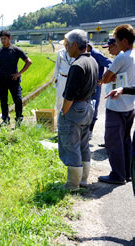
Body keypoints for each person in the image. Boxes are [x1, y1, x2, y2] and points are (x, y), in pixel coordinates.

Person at [58, 29, 98, 190]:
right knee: (83, 145)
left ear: (75, 45)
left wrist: (63, 112)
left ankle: (72, 184)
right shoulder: (92, 61)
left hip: (75, 108)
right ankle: (83, 180)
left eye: (67, 45)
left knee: (71, 146)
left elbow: (70, 96)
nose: (66, 48)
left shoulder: (77, 65)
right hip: (88, 107)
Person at [98, 24, 135, 185]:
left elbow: (105, 78)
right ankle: (127, 173)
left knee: (113, 140)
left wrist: (111, 76)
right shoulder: (134, 55)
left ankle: (117, 175)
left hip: (116, 104)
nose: (116, 44)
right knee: (126, 140)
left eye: (117, 41)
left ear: (124, 41)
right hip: (130, 105)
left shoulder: (122, 57)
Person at [0, 30, 32, 127]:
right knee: (3, 101)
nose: (3, 41)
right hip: (1, 80)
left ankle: (18, 119)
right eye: (1, 39)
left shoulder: (16, 50)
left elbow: (29, 62)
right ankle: (5, 120)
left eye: (5, 38)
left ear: (10, 38)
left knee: (18, 100)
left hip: (13, 80)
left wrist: (19, 74)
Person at [86, 42, 112, 137]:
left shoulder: (96, 54)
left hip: (95, 84)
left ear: (88, 46)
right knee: (86, 106)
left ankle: (90, 131)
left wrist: (104, 78)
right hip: (87, 84)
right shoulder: (86, 54)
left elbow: (110, 64)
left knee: (94, 106)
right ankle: (85, 131)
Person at [54, 38, 75, 112]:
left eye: (68, 44)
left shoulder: (75, 53)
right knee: (60, 98)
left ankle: (68, 114)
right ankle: (59, 115)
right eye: (65, 44)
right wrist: (56, 78)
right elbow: (57, 66)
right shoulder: (60, 52)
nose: (67, 46)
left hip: (72, 79)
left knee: (70, 98)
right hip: (62, 78)